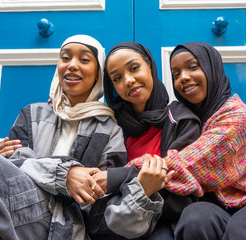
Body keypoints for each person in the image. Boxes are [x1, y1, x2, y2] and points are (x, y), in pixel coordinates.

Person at [0, 34, 129, 239]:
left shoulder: (110, 129)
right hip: (15, 205)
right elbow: (12, 164)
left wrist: (26, 164)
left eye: (84, 59)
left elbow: (99, 195)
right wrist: (65, 175)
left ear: (98, 73)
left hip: (65, 224)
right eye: (65, 57)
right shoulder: (32, 113)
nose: (72, 65)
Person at [128, 42, 246, 239]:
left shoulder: (238, 115)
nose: (184, 77)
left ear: (211, 67)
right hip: (222, 209)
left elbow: (184, 164)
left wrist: (112, 177)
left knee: (245, 226)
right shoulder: (185, 121)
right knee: (195, 218)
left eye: (192, 66)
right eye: (175, 74)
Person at [85, 42, 201, 240]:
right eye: (117, 78)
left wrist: (122, 180)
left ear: (150, 67)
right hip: (120, 227)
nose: (128, 81)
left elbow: (182, 184)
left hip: (168, 224)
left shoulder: (181, 119)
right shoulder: (111, 125)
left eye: (134, 68)